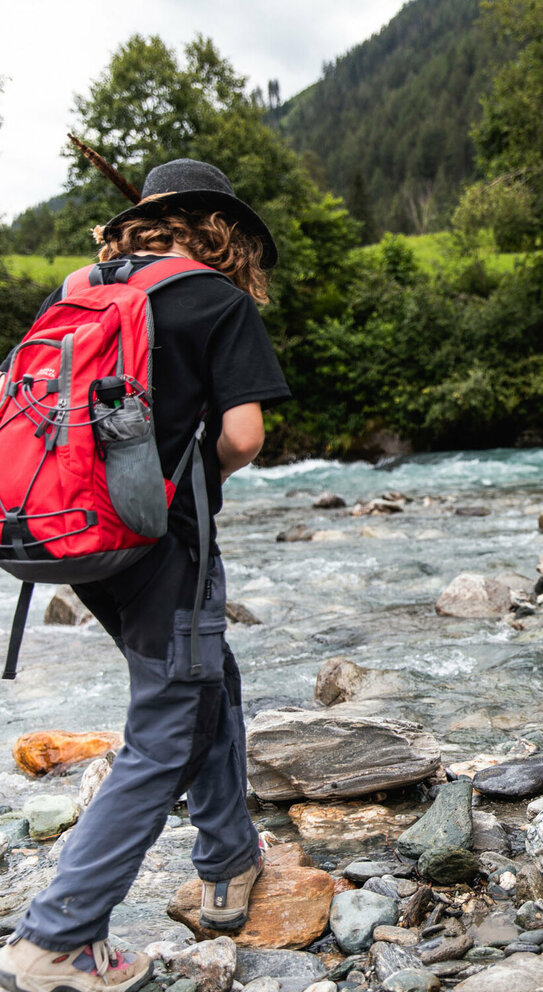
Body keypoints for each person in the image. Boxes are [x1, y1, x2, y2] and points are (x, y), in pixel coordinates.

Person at [0, 159, 291, 992]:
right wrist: (202, 485)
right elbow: (242, 437)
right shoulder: (218, 301)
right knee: (168, 724)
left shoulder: (79, 286)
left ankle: (229, 858)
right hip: (162, 541)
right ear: (222, 230)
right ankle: (56, 938)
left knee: (205, 675)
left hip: (66, 531)